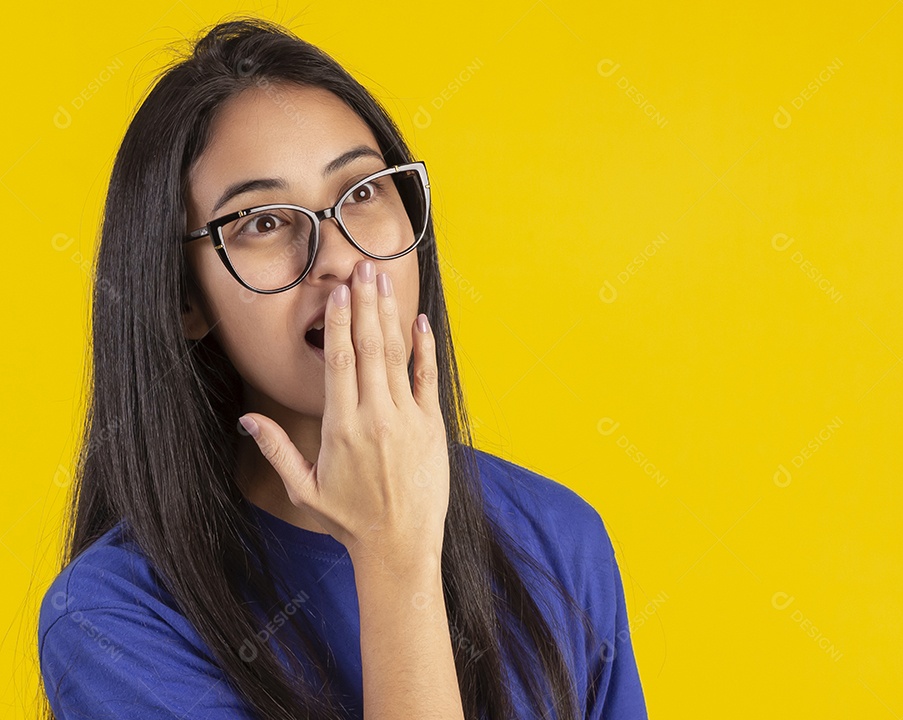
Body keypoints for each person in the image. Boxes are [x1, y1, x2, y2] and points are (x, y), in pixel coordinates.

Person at [36, 15, 648, 720]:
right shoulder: (110, 620)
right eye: (263, 221)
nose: (338, 258)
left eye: (361, 193)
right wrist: (393, 558)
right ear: (183, 298)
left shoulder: (557, 539)